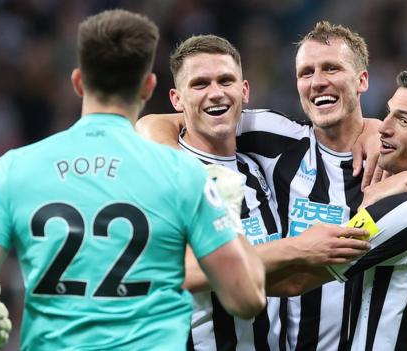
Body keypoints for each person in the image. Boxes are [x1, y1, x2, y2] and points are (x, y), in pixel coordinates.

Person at [137, 21, 407, 350]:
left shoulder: (401, 157)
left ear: (362, 80)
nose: (318, 81)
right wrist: (171, 163)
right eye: (306, 73)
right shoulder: (273, 140)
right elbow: (164, 123)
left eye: (331, 69)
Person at [0, 9, 266, 351]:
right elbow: (246, 299)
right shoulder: (184, 173)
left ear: (77, 82)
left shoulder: (12, 169)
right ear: (149, 87)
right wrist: (228, 215)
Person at [155, 34, 370, 351]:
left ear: (244, 91)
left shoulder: (255, 169)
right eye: (200, 84)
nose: (215, 93)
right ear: (176, 99)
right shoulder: (168, 172)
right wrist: (298, 248)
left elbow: (277, 279)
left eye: (225, 80)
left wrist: (373, 129)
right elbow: (183, 271)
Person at [270, 69, 407, 351]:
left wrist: (214, 268)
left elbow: (294, 281)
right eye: (389, 113)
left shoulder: (400, 211)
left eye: (403, 120)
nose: (382, 128)